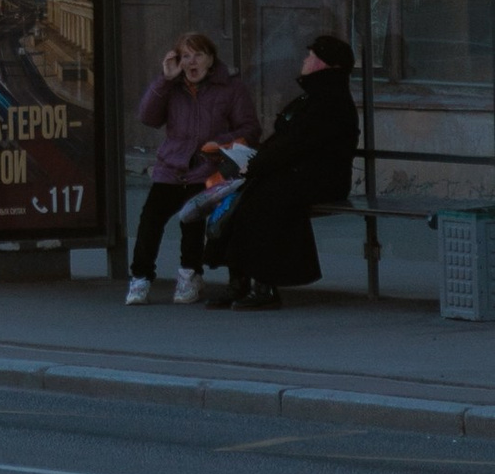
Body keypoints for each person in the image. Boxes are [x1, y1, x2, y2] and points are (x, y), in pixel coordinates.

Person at [200, 35, 359, 312]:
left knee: (263, 201)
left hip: (321, 179)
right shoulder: (314, 97)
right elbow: (285, 143)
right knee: (243, 196)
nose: (305, 60)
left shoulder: (329, 101)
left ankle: (265, 285)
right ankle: (239, 281)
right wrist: (253, 162)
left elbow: (296, 144)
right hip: (298, 174)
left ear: (325, 64)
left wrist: (256, 165)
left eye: (311, 56)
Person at [127, 31, 259, 305]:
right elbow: (147, 117)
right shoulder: (172, 86)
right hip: (172, 166)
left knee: (192, 220)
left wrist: (219, 143)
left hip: (209, 168)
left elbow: (250, 129)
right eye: (185, 56)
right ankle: (140, 278)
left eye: (198, 55)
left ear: (211, 59)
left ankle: (190, 275)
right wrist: (165, 79)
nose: (191, 62)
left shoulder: (230, 87)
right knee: (150, 219)